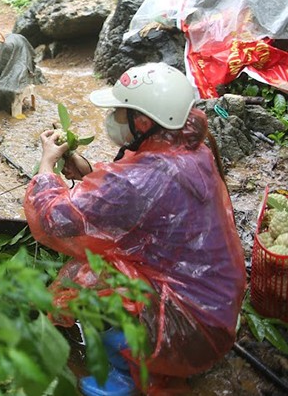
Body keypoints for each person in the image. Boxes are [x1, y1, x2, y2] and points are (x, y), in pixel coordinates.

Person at [23, 62, 246, 395]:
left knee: (86, 275)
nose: (113, 116)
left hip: (186, 328)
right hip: (217, 309)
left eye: (119, 111)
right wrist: (86, 171)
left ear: (142, 122)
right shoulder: (192, 150)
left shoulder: (140, 180)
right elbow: (136, 193)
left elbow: (53, 217)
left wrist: (46, 165)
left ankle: (123, 371)